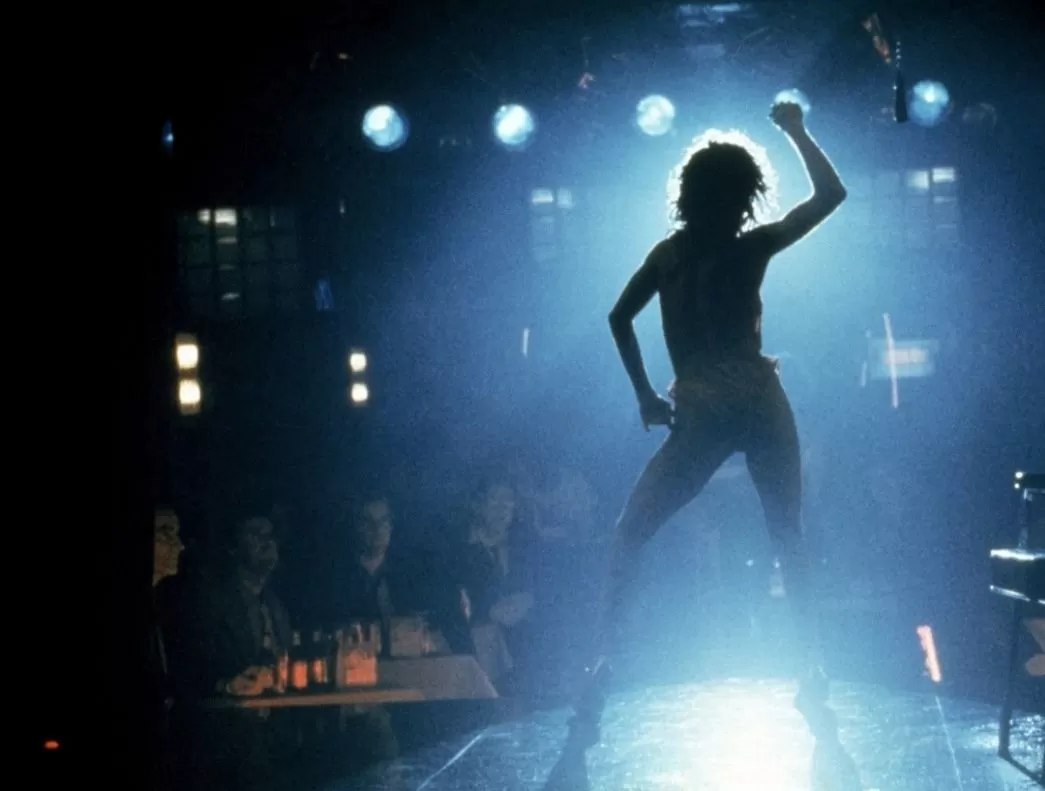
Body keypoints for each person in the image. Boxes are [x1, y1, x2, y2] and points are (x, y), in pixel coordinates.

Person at [574, 100, 847, 740]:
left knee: (633, 529)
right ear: (743, 199)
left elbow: (618, 318)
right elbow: (830, 195)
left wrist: (646, 394)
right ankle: (812, 665)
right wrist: (797, 130)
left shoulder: (669, 256)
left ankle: (601, 661)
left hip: (708, 407)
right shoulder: (748, 247)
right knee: (786, 533)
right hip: (751, 399)